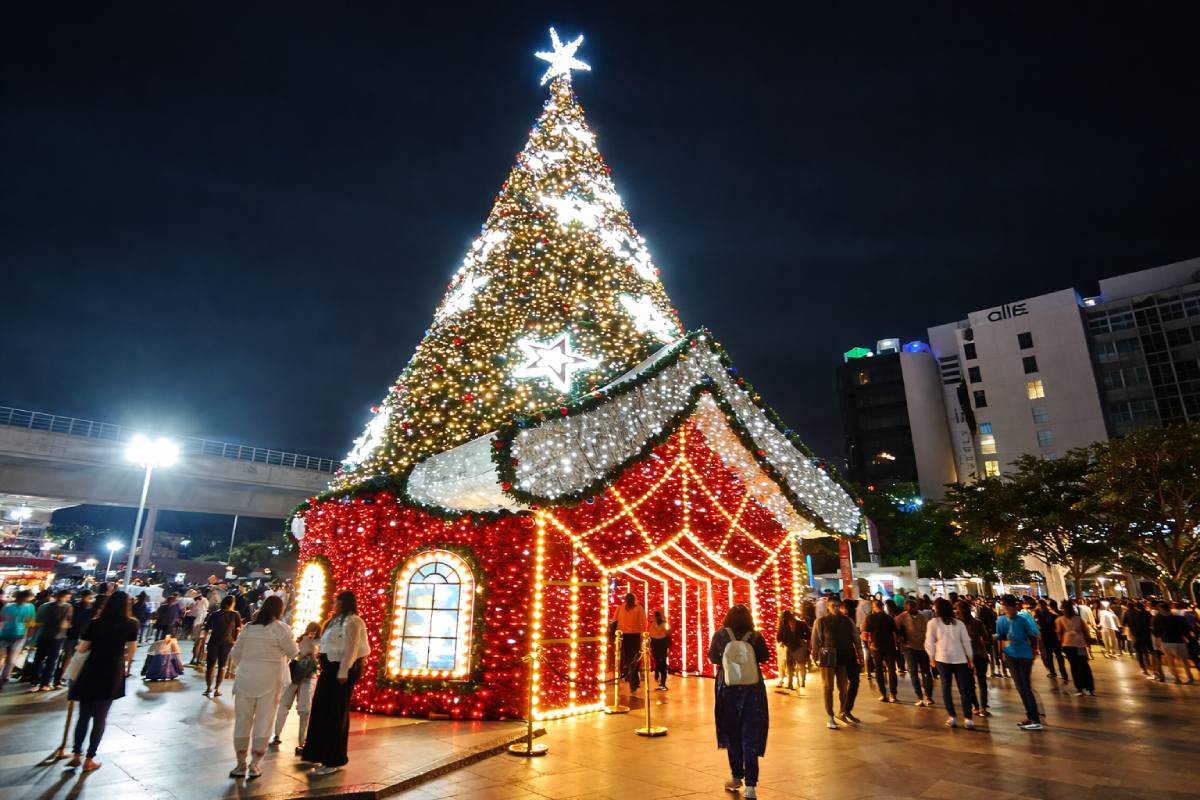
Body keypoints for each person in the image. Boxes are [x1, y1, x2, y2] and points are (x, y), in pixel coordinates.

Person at [66, 591, 139, 771]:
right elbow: (131, 651)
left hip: (91, 668)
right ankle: (89, 759)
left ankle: (76, 754)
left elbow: (82, 648)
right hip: (112, 670)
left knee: (83, 715)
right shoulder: (131, 624)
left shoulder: (96, 622)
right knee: (100, 717)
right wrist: (124, 660)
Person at [229, 595, 298, 779]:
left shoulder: (248, 627)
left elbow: (235, 653)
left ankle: (240, 764)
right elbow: (294, 652)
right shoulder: (281, 629)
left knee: (242, 722)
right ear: (279, 610)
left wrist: (246, 666)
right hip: (270, 682)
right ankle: (254, 764)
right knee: (264, 722)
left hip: (245, 680)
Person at [302, 591, 369, 776]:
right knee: (321, 710)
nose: (334, 605)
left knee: (335, 713)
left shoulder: (354, 621)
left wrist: (343, 670)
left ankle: (333, 758)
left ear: (344, 603)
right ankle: (318, 753)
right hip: (328, 670)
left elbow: (352, 647)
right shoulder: (334, 621)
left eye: (337, 602)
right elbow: (328, 643)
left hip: (339, 670)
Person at [707, 605, 770, 800]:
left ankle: (736, 777)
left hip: (727, 689)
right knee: (750, 736)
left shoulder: (720, 635)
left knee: (731, 733)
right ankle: (751, 786)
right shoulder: (755, 636)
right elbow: (765, 657)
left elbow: (712, 657)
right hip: (753, 690)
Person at [811, 597, 861, 729]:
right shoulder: (821, 621)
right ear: (828, 606)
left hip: (843, 657)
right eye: (833, 605)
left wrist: (859, 652)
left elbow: (855, 637)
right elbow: (816, 640)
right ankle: (830, 715)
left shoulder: (847, 621)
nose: (836, 608)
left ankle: (843, 712)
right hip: (828, 657)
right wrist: (814, 655)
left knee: (843, 686)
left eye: (838, 605)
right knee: (828, 687)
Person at [925, 598, 976, 730]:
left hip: (942, 659)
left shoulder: (933, 623)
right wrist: (970, 658)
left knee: (946, 688)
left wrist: (931, 657)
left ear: (937, 609)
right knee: (964, 689)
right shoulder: (959, 623)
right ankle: (968, 718)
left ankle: (952, 717)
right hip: (960, 659)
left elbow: (929, 642)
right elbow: (966, 642)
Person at [273, 622, 321, 754]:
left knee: (288, 705)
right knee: (302, 708)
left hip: (298, 674)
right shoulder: (312, 641)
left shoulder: (303, 640)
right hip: (306, 676)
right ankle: (300, 740)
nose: (311, 632)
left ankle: (280, 735)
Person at [996, 595, 1043, 730]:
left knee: (1025, 687)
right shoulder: (1001, 621)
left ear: (1014, 607)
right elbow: (1001, 637)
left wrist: (1034, 650)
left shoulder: (1022, 620)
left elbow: (1032, 636)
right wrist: (1002, 653)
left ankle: (1035, 719)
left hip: (1024, 656)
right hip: (1011, 656)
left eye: (1008, 606)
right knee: (1019, 687)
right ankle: (1030, 716)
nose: (1006, 609)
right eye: (1004, 606)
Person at [30, 589, 73, 692]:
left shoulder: (45, 606)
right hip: (57, 637)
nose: (68, 599)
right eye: (67, 597)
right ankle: (44, 683)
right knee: (51, 660)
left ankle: (36, 683)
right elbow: (69, 622)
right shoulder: (68, 607)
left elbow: (38, 621)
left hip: (45, 635)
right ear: (63, 597)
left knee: (39, 659)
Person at [896, 599, 934, 706]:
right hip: (909, 648)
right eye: (909, 607)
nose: (911, 609)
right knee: (913, 673)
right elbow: (895, 627)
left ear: (916, 606)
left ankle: (928, 696)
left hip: (923, 647)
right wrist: (899, 637)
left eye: (913, 606)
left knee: (926, 672)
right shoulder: (902, 617)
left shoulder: (922, 617)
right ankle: (919, 696)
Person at [204, 595, 242, 696]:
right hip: (225, 642)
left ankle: (211, 688)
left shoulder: (216, 614)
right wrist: (234, 639)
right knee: (218, 665)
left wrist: (204, 640)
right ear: (231, 603)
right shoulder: (234, 614)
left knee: (215, 665)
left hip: (217, 642)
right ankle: (214, 689)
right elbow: (238, 628)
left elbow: (206, 628)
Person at [862, 599, 899, 703]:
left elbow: (865, 632)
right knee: (891, 670)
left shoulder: (869, 618)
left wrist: (868, 643)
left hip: (876, 647)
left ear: (874, 607)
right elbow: (895, 631)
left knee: (879, 670)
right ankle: (893, 694)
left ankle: (883, 694)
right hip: (890, 646)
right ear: (882, 607)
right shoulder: (889, 618)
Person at [1056, 601, 1095, 696]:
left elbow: (1059, 633)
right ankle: (1085, 687)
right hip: (1073, 645)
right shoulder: (1066, 620)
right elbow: (1085, 631)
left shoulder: (1065, 620)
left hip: (1074, 644)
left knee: (1079, 666)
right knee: (1079, 666)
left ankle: (1084, 687)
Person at [1152, 601, 1195, 684]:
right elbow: (1186, 629)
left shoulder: (1158, 618)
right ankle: (1190, 677)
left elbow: (1156, 631)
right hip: (1179, 641)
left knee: (1171, 661)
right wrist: (1187, 638)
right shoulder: (1178, 617)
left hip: (1167, 642)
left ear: (1161, 609)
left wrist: (1157, 640)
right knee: (1184, 660)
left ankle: (1177, 678)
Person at [0, 590, 36, 689]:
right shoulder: (30, 607)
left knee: (1, 657)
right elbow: (31, 624)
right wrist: (29, 637)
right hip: (19, 635)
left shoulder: (8, 606)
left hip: (4, 634)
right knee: (11, 659)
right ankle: (4, 678)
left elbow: (1, 619)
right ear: (27, 598)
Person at [613, 593, 647, 696]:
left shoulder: (620, 608)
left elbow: (614, 620)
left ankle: (631, 679)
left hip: (625, 636)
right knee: (634, 659)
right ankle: (633, 680)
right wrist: (643, 634)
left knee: (628, 659)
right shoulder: (638, 608)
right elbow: (644, 622)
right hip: (633, 636)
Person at [1033, 600, 1068, 682]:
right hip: (1054, 637)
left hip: (1047, 637)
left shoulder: (1043, 614)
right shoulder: (1053, 614)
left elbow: (1040, 625)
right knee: (1058, 655)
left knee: (1050, 655)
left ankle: (1053, 672)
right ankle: (1063, 674)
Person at [776, 610, 810, 690]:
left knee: (790, 665)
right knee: (799, 664)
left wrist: (783, 640)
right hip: (797, 646)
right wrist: (802, 637)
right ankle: (801, 681)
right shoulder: (800, 623)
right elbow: (808, 635)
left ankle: (792, 683)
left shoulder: (783, 624)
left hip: (792, 646)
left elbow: (779, 637)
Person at [648, 609, 670, 691]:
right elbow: (667, 633)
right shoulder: (663, 624)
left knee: (660, 662)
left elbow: (650, 634)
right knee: (661, 662)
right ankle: (662, 681)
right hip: (660, 643)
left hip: (658, 644)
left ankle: (661, 680)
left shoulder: (654, 624)